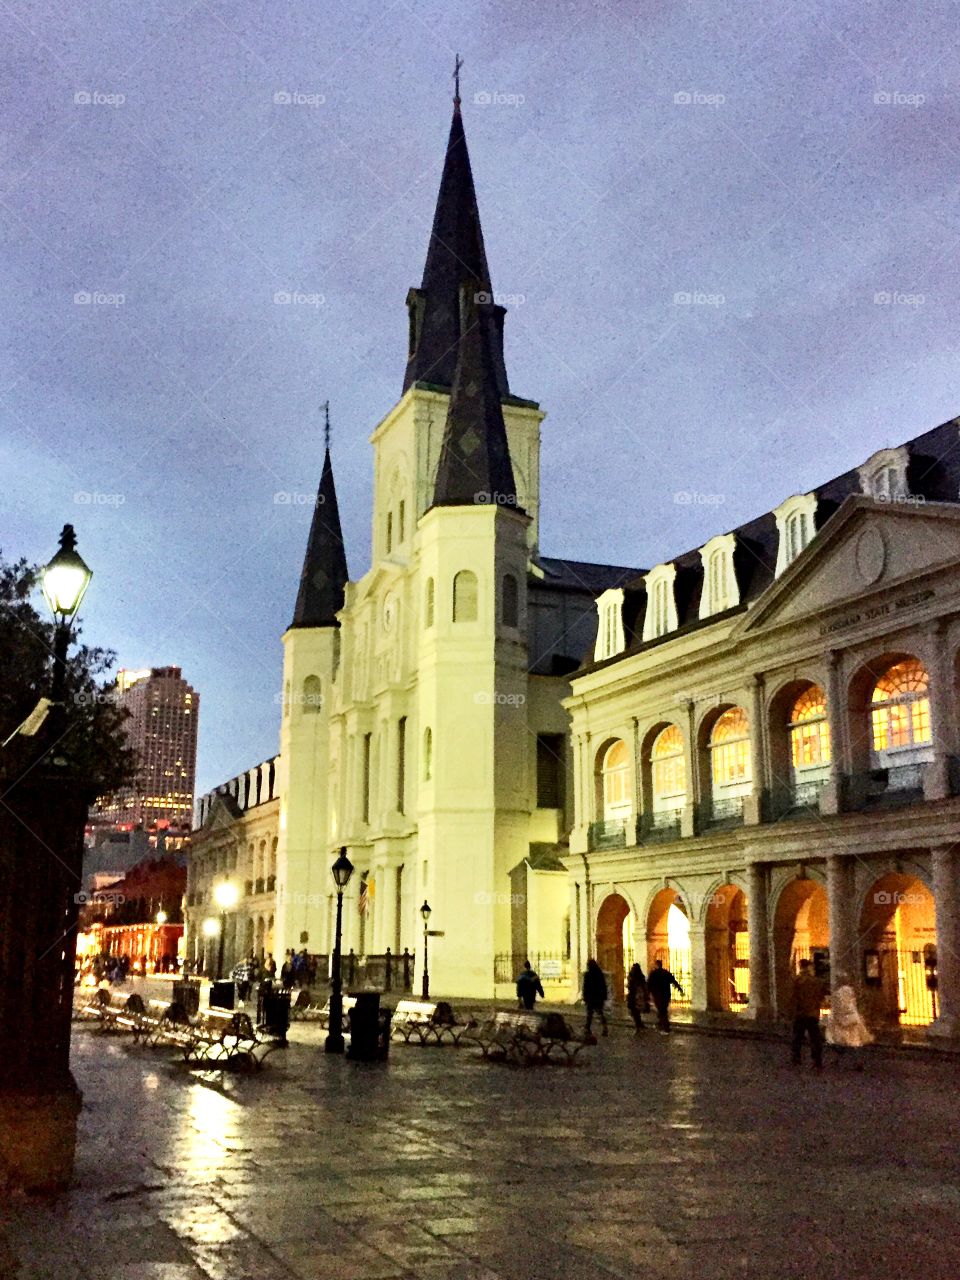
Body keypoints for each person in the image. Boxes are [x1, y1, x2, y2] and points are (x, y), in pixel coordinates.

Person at [825, 980, 872, 1069]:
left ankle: (839, 1061)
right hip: (852, 1025)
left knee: (841, 1044)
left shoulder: (839, 999)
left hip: (842, 1026)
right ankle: (857, 1062)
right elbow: (853, 1011)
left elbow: (836, 1013)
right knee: (853, 1045)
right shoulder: (850, 1000)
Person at [790, 958, 825, 1068]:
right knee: (815, 1038)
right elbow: (820, 997)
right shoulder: (816, 981)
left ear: (800, 966)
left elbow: (792, 998)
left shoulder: (796, 981)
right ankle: (817, 1060)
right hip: (813, 1014)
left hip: (800, 1014)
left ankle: (796, 1059)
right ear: (809, 967)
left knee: (797, 1037)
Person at [646, 958, 683, 1033]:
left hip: (657, 994)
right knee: (663, 1009)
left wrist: (647, 994)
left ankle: (665, 1026)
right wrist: (680, 989)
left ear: (656, 965)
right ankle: (662, 1024)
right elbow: (673, 981)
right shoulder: (666, 973)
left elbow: (649, 984)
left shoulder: (653, 973)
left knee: (661, 1010)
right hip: (666, 994)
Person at [582, 959, 608, 1037]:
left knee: (590, 1013)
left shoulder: (588, 974)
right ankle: (604, 1027)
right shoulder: (599, 973)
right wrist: (604, 996)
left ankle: (587, 1028)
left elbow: (585, 987)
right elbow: (603, 986)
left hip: (591, 997)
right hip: (598, 997)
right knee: (600, 1013)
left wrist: (585, 996)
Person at [626, 962, 649, 1032]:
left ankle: (638, 1024)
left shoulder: (631, 976)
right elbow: (644, 986)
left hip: (633, 996)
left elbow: (629, 986)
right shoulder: (640, 976)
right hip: (639, 995)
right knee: (637, 1011)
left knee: (634, 1011)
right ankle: (639, 1024)